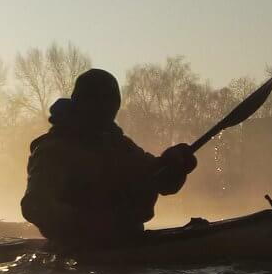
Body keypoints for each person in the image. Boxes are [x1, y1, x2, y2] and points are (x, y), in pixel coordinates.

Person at [20, 68, 198, 251]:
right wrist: (89, 224)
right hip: (77, 251)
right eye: (97, 100)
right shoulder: (54, 149)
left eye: (110, 101)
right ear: (81, 102)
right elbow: (35, 205)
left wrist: (175, 165)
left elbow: (158, 179)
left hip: (126, 243)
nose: (105, 107)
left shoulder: (118, 144)